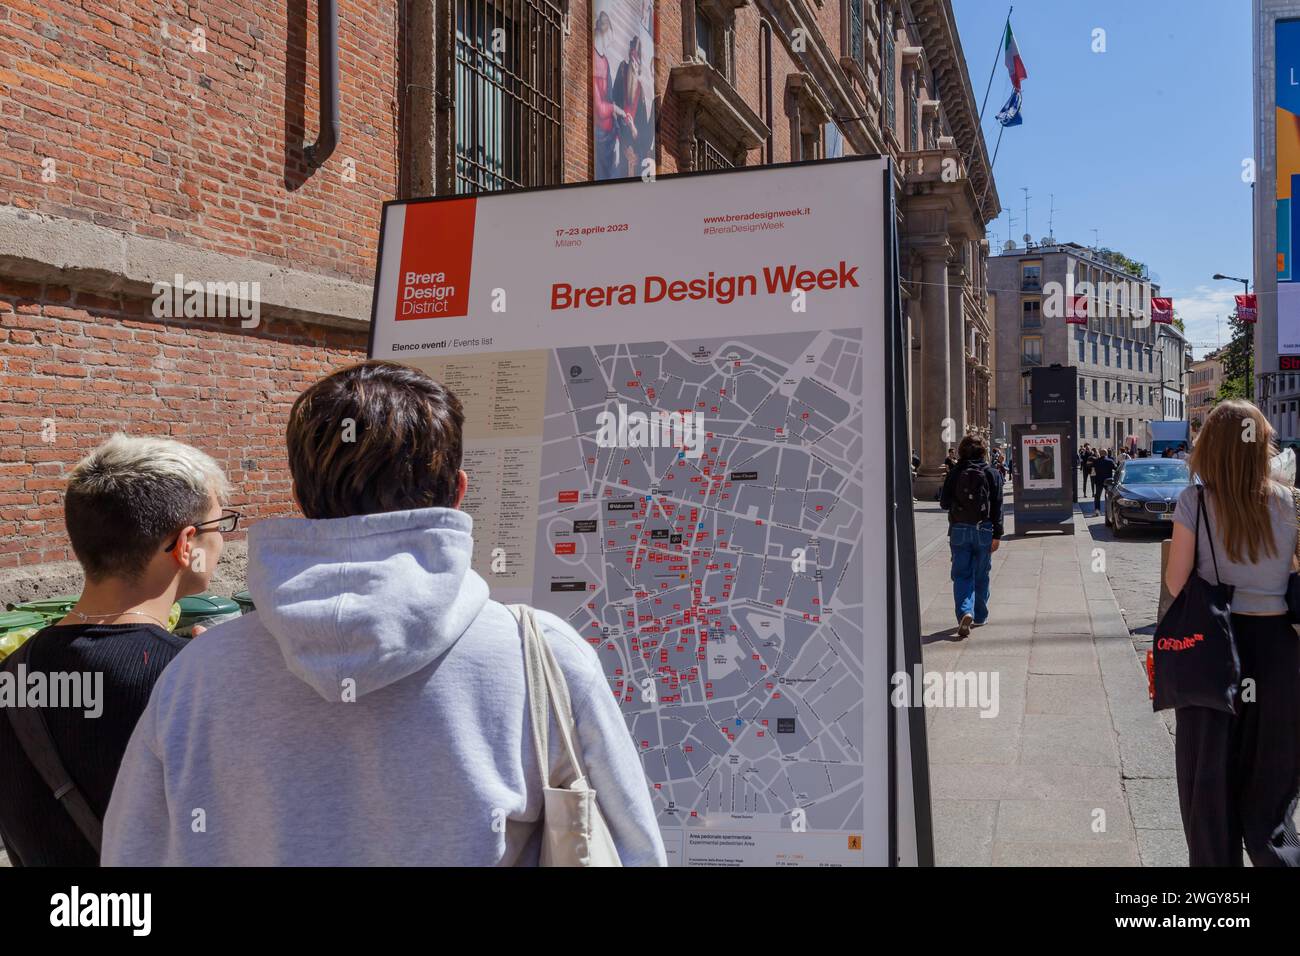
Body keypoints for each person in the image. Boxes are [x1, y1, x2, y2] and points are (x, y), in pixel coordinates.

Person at [103, 361, 667, 866]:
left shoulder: (195, 678)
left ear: (299, 497)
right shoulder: (543, 660)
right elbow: (634, 850)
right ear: (457, 493)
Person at [0, 435, 231, 866]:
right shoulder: (193, 680)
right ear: (186, 545)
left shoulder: (12, 674)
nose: (223, 541)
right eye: (221, 526)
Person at [1164, 400, 1300, 867]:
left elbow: (1177, 583)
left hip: (1214, 652)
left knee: (1208, 786)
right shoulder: (1289, 501)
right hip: (1278, 651)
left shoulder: (1194, 502)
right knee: (1272, 788)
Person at [939, 435, 1004, 639]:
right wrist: (998, 535)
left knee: (961, 574)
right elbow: (998, 506)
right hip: (984, 528)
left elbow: (944, 503)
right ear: (984, 452)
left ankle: (965, 612)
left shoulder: (955, 472)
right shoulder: (992, 473)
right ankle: (980, 615)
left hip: (959, 529)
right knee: (981, 573)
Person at [1090, 447, 1115, 516]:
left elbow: (1091, 466)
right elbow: (1116, 468)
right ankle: (1109, 511)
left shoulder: (1096, 461)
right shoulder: (1110, 461)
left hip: (1098, 481)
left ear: (1100, 454)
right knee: (1109, 497)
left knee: (1097, 496)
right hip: (1108, 481)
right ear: (1106, 453)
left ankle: (1097, 510)